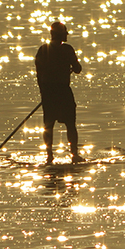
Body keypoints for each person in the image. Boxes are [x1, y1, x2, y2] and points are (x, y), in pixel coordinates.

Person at [35, 21, 83, 164]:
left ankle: (49, 156)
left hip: (48, 92)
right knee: (70, 124)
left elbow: (39, 74)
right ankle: (74, 155)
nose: (67, 35)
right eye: (65, 33)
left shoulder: (42, 50)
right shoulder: (67, 50)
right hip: (63, 92)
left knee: (48, 125)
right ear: (61, 35)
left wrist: (43, 93)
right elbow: (78, 68)